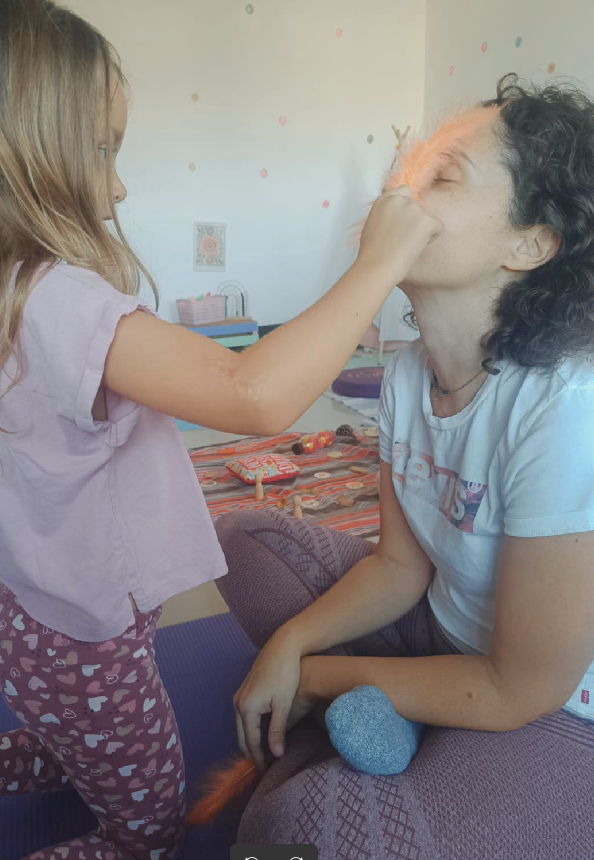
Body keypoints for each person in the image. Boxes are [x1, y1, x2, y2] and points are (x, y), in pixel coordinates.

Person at [0, 2, 441, 859]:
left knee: (66, 740)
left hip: (30, 633)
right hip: (90, 655)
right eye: (103, 149)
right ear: (26, 151)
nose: (118, 186)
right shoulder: (61, 302)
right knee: (147, 838)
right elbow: (252, 394)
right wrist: (377, 264)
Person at [216, 75, 594, 859]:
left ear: (528, 245)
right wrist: (291, 642)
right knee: (240, 541)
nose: (400, 194)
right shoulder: (409, 371)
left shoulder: (564, 408)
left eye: (441, 176)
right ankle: (387, 720)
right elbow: (398, 565)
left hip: (549, 703)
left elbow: (519, 687)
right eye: (408, 172)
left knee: (296, 831)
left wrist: (311, 673)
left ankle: (364, 726)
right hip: (442, 629)